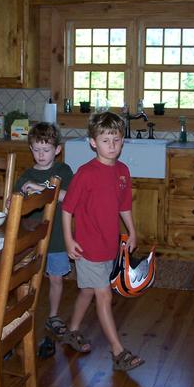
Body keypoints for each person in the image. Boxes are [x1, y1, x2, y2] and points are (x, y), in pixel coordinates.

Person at [61, 111, 144, 372]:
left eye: (117, 140)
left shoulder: (122, 171)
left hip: (110, 246)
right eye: (106, 140)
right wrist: (68, 240)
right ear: (93, 142)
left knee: (88, 290)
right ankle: (118, 352)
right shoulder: (85, 173)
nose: (112, 146)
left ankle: (71, 331)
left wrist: (132, 231)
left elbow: (124, 205)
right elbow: (67, 208)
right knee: (104, 296)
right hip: (88, 247)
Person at [14, 122, 73, 339]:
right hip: (30, 240)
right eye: (36, 149)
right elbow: (14, 203)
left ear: (57, 150)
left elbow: (70, 197)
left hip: (57, 238)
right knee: (27, 278)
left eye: (46, 150)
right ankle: (23, 314)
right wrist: (15, 201)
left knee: (56, 278)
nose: (41, 154)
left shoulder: (62, 171)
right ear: (30, 149)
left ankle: (54, 315)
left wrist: (41, 189)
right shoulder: (26, 176)